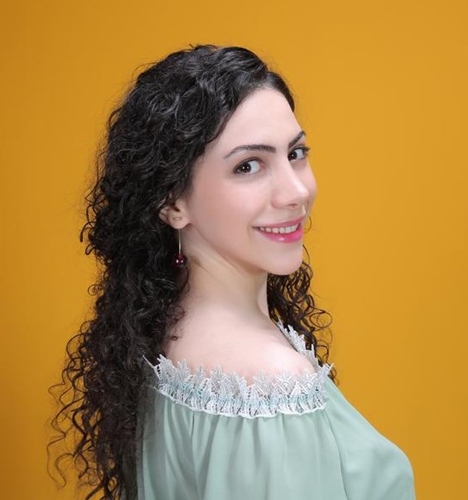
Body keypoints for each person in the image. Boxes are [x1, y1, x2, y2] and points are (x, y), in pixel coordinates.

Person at [51, 45, 415, 500]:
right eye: (248, 166)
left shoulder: (161, 334)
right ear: (172, 203)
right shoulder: (270, 384)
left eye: (296, 152)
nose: (296, 191)